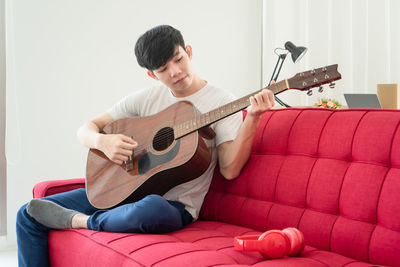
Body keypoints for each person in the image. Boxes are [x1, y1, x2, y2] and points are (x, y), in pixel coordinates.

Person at [16, 25, 275, 267]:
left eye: (178, 59)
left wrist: (252, 117)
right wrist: (103, 142)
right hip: (120, 195)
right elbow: (85, 130)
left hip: (172, 207)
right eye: (163, 69)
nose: (175, 71)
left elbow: (229, 170)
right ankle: (99, 220)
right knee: (27, 214)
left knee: (152, 207)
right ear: (152, 74)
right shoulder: (144, 100)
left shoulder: (222, 102)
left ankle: (82, 222)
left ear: (189, 52)